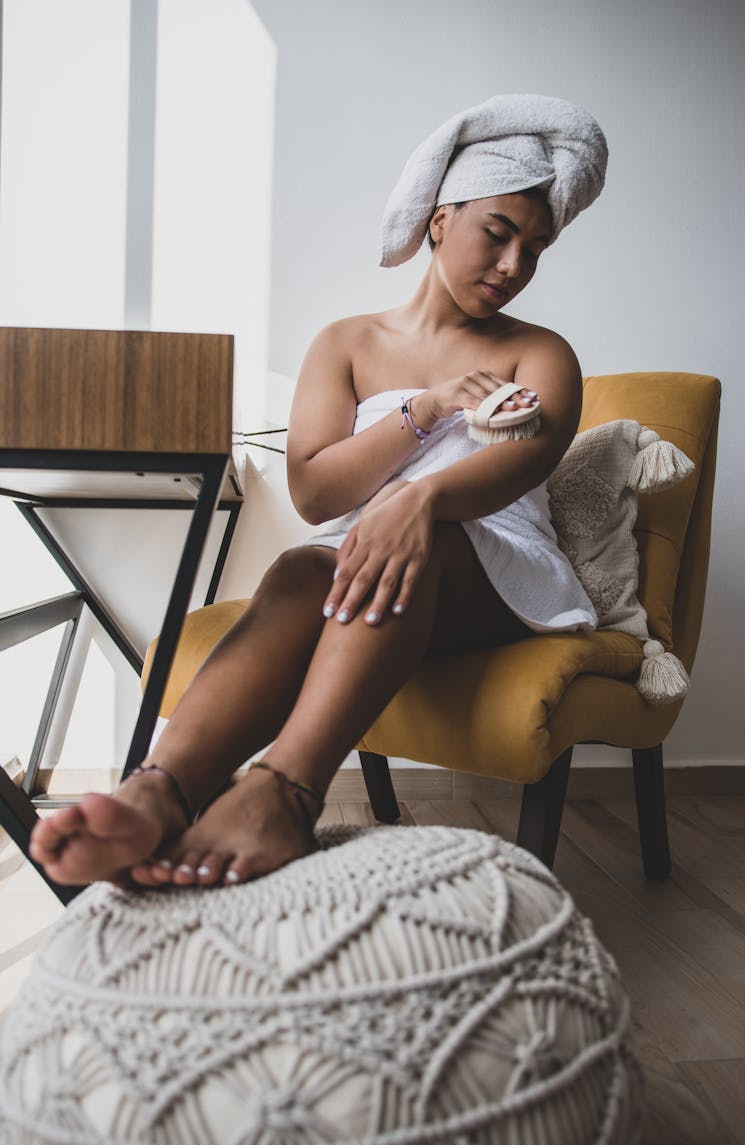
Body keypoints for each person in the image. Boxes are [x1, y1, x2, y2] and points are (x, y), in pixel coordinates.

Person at [29, 93, 607, 889]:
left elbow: (529, 457)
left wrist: (423, 499)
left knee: (414, 540)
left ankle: (282, 794)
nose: (514, 266)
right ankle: (157, 792)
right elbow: (313, 490)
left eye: (534, 249)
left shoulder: (541, 352)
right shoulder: (346, 343)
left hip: (497, 573)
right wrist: (428, 409)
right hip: (359, 552)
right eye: (498, 233)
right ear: (441, 219)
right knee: (304, 567)